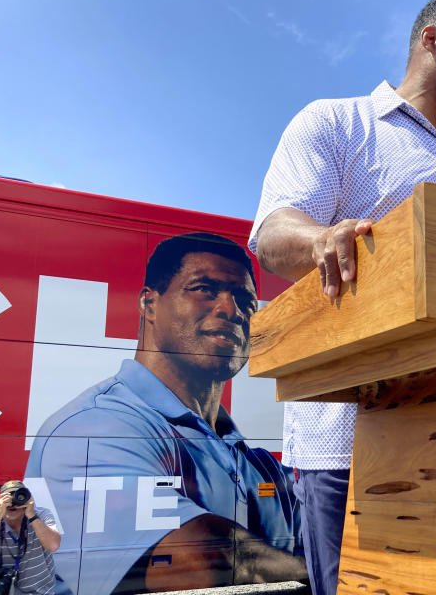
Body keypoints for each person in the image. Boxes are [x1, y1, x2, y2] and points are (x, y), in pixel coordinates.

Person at [249, 0, 436, 595]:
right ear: (431, 37)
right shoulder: (338, 124)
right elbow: (272, 235)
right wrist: (322, 240)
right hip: (347, 445)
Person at [24, 233, 306, 595]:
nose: (231, 310)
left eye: (245, 300)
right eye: (205, 288)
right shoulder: (89, 430)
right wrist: (328, 572)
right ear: (149, 304)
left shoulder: (257, 465)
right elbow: (199, 561)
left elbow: (338, 532)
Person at [0, 481, 62, 595]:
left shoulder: (41, 515)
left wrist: (32, 515)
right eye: (8, 498)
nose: (13, 504)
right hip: (4, 590)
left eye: (17, 497)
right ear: (0, 501)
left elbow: (53, 545)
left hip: (40, 592)